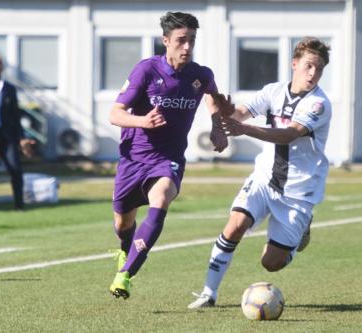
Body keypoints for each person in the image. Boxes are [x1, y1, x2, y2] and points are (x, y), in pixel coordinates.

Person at [188, 37, 331, 309]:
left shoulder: (319, 104)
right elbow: (242, 113)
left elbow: (289, 135)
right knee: (234, 226)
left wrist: (246, 129)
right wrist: (227, 112)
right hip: (263, 179)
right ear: (294, 64)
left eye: (319, 68)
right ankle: (208, 293)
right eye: (309, 66)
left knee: (270, 263)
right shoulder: (273, 91)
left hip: (298, 192)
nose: (313, 73)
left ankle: (300, 232)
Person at [108, 11, 230, 299]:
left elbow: (213, 96)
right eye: (181, 41)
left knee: (160, 198)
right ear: (166, 41)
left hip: (168, 158)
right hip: (133, 159)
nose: (187, 47)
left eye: (192, 41)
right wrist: (142, 122)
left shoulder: (201, 75)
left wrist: (217, 127)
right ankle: (126, 249)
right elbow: (114, 114)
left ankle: (125, 275)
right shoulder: (146, 70)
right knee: (122, 224)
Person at [0, 53, 34, 210]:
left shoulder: (9, 88)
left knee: (16, 169)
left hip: (6, 135)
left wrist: (21, 138)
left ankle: (19, 205)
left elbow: (15, 115)